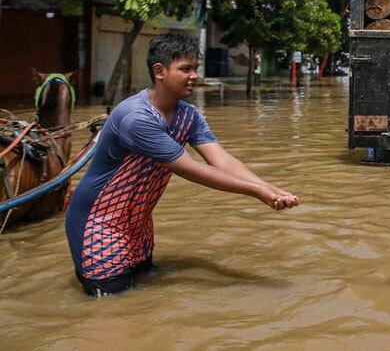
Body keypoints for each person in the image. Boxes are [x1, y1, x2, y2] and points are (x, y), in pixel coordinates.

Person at [65, 33, 299, 297]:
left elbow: (221, 159)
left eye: (195, 68)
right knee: (110, 309)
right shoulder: (137, 118)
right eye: (185, 69)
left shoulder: (189, 115)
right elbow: (189, 168)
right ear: (159, 71)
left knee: (138, 301)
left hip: (138, 223)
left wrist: (270, 188)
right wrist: (257, 193)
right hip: (99, 223)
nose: (194, 75)